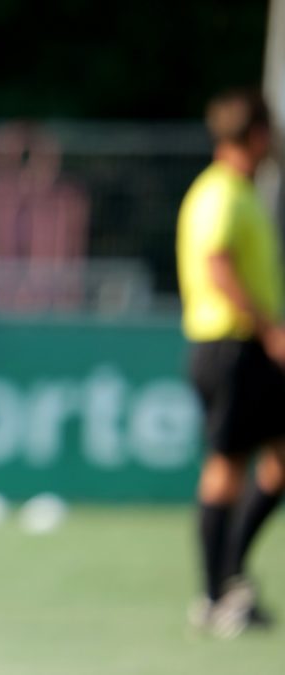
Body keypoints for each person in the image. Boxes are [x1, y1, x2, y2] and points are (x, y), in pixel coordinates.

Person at [177, 87, 285, 638]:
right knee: (225, 469)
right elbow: (217, 262)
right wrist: (270, 328)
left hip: (244, 348)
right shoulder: (220, 192)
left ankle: (231, 576)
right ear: (259, 135)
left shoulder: (239, 190)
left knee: (273, 459)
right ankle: (216, 593)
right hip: (230, 346)